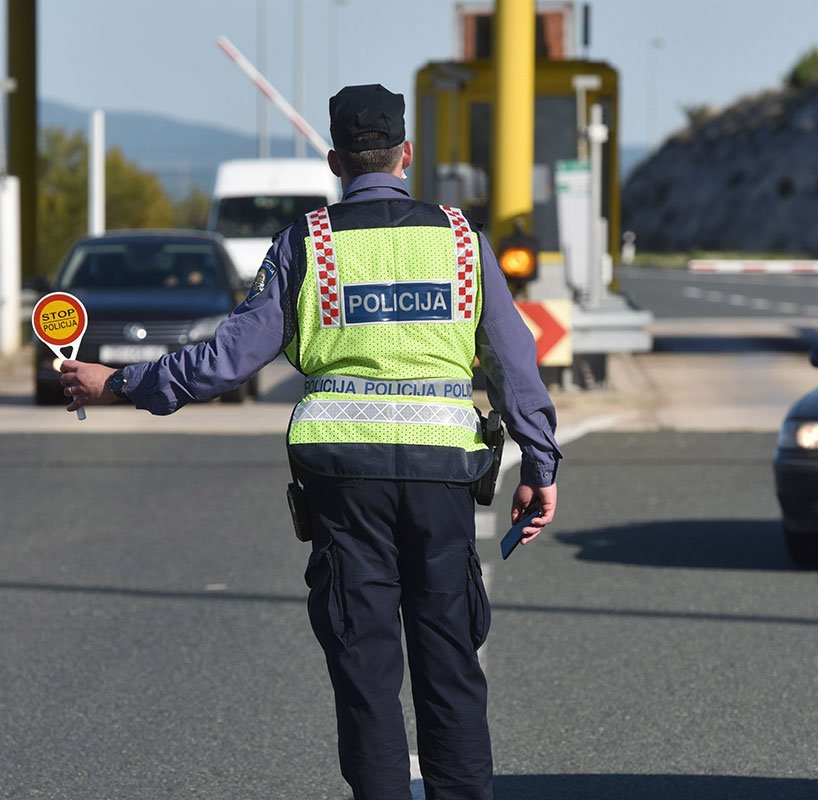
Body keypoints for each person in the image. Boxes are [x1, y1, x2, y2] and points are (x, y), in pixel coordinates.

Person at [58, 83, 560, 799]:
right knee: (449, 662)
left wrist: (121, 385)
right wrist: (540, 463)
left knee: (365, 667)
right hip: (444, 479)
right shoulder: (461, 240)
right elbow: (515, 364)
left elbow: (225, 359)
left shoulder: (306, 244)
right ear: (406, 154)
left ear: (335, 160)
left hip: (342, 481)